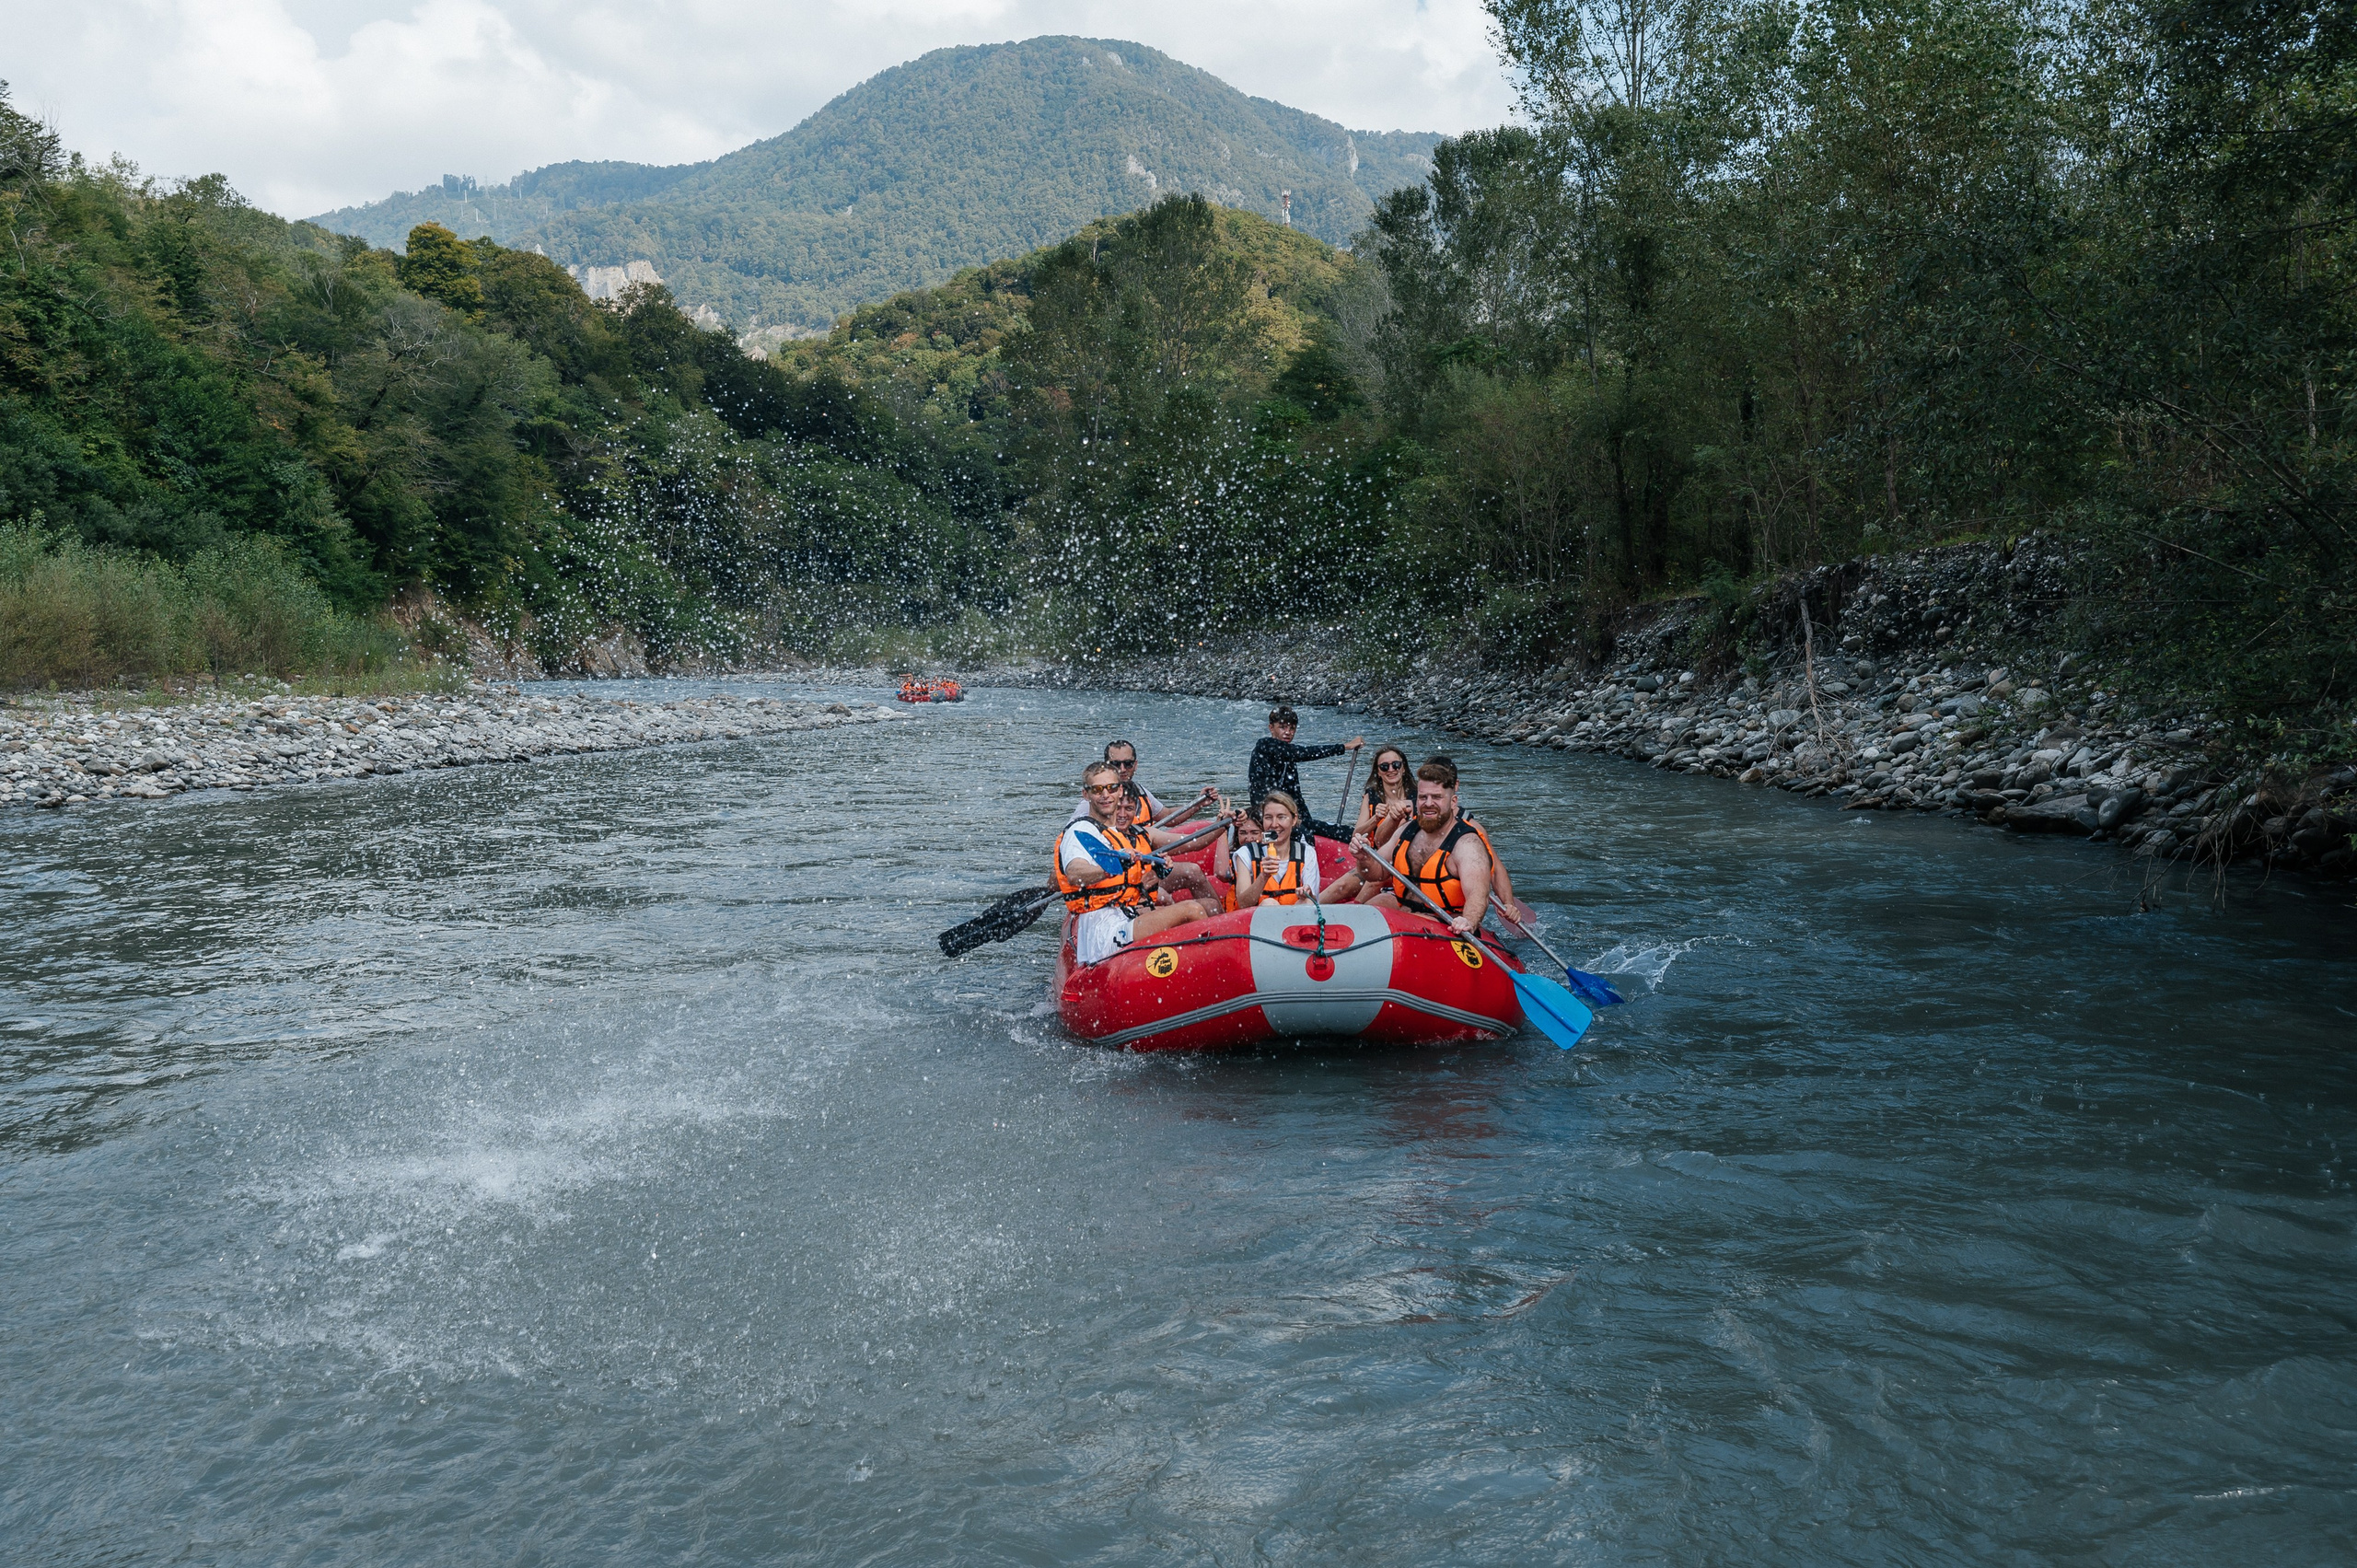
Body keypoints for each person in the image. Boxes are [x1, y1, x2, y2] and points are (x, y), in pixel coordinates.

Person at [1057, 761, 1218, 965]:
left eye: (1111, 788)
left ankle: (1198, 967)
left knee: (1207, 908)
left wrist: (1159, 870)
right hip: (1104, 931)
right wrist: (1109, 868)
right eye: (1098, 790)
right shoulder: (1081, 831)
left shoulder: (1118, 833)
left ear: (1120, 789)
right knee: (1191, 911)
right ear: (1086, 795)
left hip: (1126, 915)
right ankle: (1209, 969)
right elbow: (1075, 873)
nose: (1106, 794)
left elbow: (1132, 883)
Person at [1356, 760, 1493, 937]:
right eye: (1423, 797)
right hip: (1405, 910)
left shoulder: (1467, 844)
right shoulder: (1407, 830)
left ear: (1453, 802)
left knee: (1410, 923)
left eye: (1436, 797)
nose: (1428, 803)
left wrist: (1468, 920)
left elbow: (1478, 896)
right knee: (1366, 912)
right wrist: (1363, 858)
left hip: (1445, 922)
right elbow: (1375, 874)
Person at [1248, 705, 1363, 842]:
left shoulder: (1287, 757)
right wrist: (1344, 747)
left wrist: (1308, 821)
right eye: (1282, 727)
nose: (1288, 732)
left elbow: (1296, 797)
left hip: (1286, 817)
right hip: (1266, 818)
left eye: (1292, 728)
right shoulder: (1265, 745)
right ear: (1271, 728)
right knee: (1305, 836)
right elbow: (1302, 753)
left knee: (1346, 832)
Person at [1231, 791, 1361, 909]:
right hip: (1255, 925)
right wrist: (1263, 877)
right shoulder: (1245, 854)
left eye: (1281, 817)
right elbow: (1243, 904)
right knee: (1269, 903)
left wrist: (1306, 894)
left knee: (1307, 902)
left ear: (1293, 820)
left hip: (1295, 923)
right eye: (1268, 817)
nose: (1274, 824)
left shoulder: (1307, 853)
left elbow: (1313, 902)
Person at [1069, 738, 1216, 830]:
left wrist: (1198, 803)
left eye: (1128, 764)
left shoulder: (1140, 792)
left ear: (1135, 765)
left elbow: (1168, 817)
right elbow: (1073, 835)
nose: (1122, 770)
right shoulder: (1093, 802)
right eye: (1115, 764)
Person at [1354, 745, 1415, 845]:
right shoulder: (1370, 796)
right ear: (1378, 772)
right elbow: (1356, 835)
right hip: (1378, 854)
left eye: (1396, 765)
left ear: (1403, 768)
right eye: (1384, 766)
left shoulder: (1418, 796)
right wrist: (1375, 819)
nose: (1391, 770)